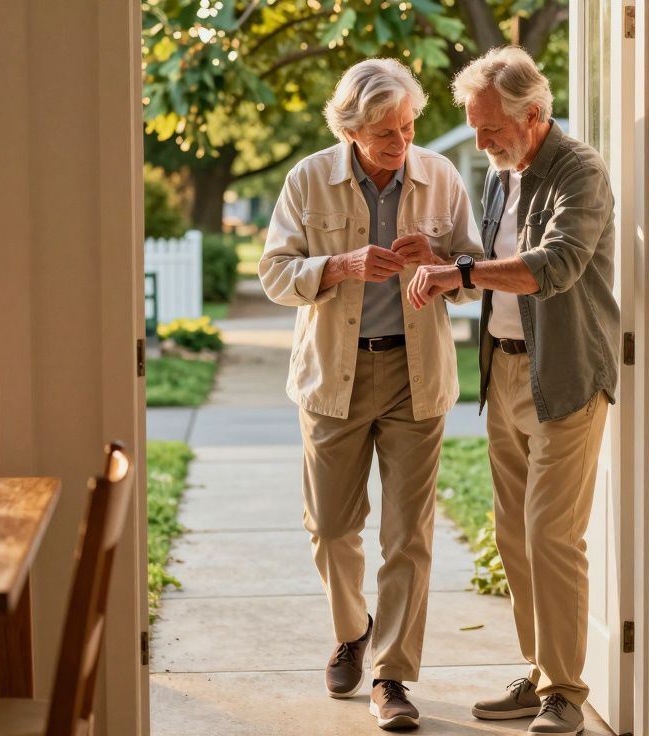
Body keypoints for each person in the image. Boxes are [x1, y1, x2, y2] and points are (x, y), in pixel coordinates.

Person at [259, 57, 482, 731]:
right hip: (334, 373)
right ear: (352, 128)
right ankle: (353, 630)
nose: (400, 142)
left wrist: (440, 268)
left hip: (417, 380)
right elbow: (274, 273)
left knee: (407, 535)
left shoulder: (439, 178)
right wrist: (339, 266)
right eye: (385, 131)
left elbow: (475, 270)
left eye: (408, 127)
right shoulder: (308, 179)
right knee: (330, 527)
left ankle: (392, 675)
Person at [407, 46, 619, 736]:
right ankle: (538, 673)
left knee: (551, 535)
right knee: (513, 534)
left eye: (490, 125)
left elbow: (553, 268)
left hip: (566, 374)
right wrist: (437, 261)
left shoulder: (579, 172)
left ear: (533, 115)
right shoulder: (502, 176)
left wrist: (460, 274)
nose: (480, 139)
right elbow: (486, 269)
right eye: (473, 125)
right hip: (504, 374)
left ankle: (566, 692)